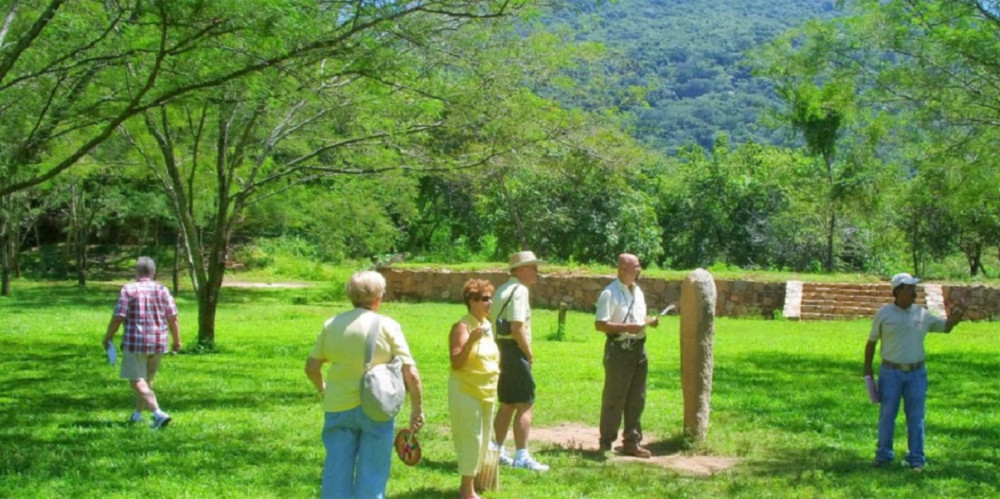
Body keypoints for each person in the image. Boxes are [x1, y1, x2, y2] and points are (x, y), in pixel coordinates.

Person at [305, 270, 424, 499]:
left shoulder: (332, 325)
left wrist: (323, 389)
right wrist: (417, 409)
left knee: (335, 473)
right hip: (377, 407)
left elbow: (311, 368)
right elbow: (411, 373)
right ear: (379, 296)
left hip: (338, 406)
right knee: (372, 475)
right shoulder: (388, 326)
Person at [864, 272, 969, 471]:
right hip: (890, 372)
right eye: (910, 287)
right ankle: (884, 455)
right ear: (898, 291)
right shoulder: (884, 313)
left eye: (914, 287)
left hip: (916, 374)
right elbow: (871, 343)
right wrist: (867, 371)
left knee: (916, 417)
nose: (914, 291)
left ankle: (916, 459)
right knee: (887, 415)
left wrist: (961, 309)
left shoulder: (922, 314)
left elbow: (946, 327)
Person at [102, 256, 181, 429]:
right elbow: (173, 318)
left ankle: (158, 413)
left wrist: (108, 337)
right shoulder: (162, 289)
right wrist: (177, 341)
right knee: (147, 380)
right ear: (153, 273)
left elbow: (118, 317)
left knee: (135, 380)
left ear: (137, 272)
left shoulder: (129, 289)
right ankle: (137, 415)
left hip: (135, 342)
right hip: (159, 341)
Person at [594, 253, 660, 458]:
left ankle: (632, 441)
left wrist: (649, 321)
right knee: (615, 396)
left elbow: (638, 318)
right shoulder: (609, 293)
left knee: (637, 397)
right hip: (619, 350)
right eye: (636, 266)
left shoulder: (638, 291)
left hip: (639, 348)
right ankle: (606, 441)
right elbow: (600, 324)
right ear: (623, 268)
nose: (639, 269)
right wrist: (627, 328)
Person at [489, 250, 549, 472]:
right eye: (533, 267)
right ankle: (522, 455)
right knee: (525, 402)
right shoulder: (520, 290)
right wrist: (529, 352)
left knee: (507, 403)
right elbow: (516, 326)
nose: (537, 272)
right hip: (514, 350)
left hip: (500, 348)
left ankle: (496, 450)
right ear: (521, 269)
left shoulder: (502, 289)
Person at [449, 279, 501, 499]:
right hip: (466, 390)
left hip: (487, 390)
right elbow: (456, 362)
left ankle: (475, 484)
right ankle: (466, 490)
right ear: (471, 301)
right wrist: (470, 341)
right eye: (484, 299)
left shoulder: (487, 326)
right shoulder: (462, 326)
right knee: (472, 438)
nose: (490, 303)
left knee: (484, 439)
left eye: (491, 298)